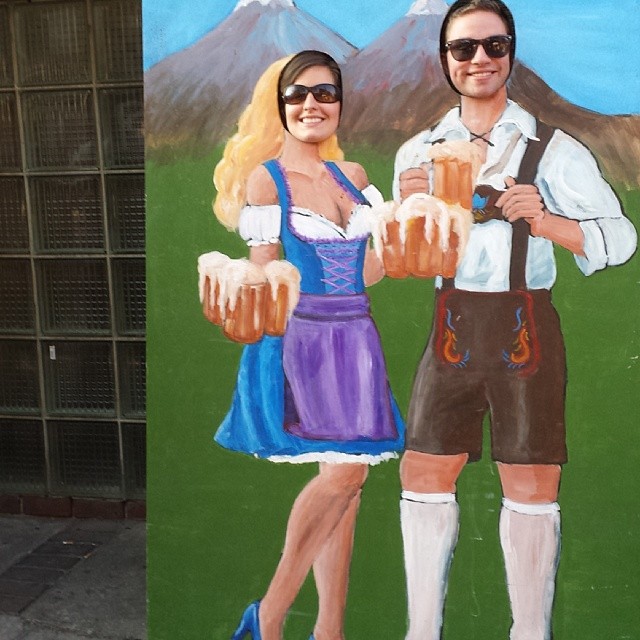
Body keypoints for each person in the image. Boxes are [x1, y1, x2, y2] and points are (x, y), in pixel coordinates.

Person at [392, 2, 637, 639]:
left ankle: (529, 632)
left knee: (530, 478)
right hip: (450, 322)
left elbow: (620, 238)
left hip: (526, 324)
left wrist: (547, 221)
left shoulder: (551, 149)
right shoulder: (417, 153)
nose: (479, 60)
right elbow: (409, 262)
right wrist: (407, 216)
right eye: (463, 48)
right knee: (424, 469)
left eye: (493, 46)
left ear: (511, 53)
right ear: (445, 59)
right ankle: (423, 631)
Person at [212, 50, 404, 640]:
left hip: (357, 337)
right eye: (297, 94)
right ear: (279, 106)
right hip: (304, 339)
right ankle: (269, 617)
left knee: (349, 484)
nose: (311, 105)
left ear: (340, 104)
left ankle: (329, 629)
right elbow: (264, 270)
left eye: (324, 93)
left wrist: (401, 239)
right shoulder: (266, 181)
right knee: (345, 477)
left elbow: (368, 271)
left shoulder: (356, 178)